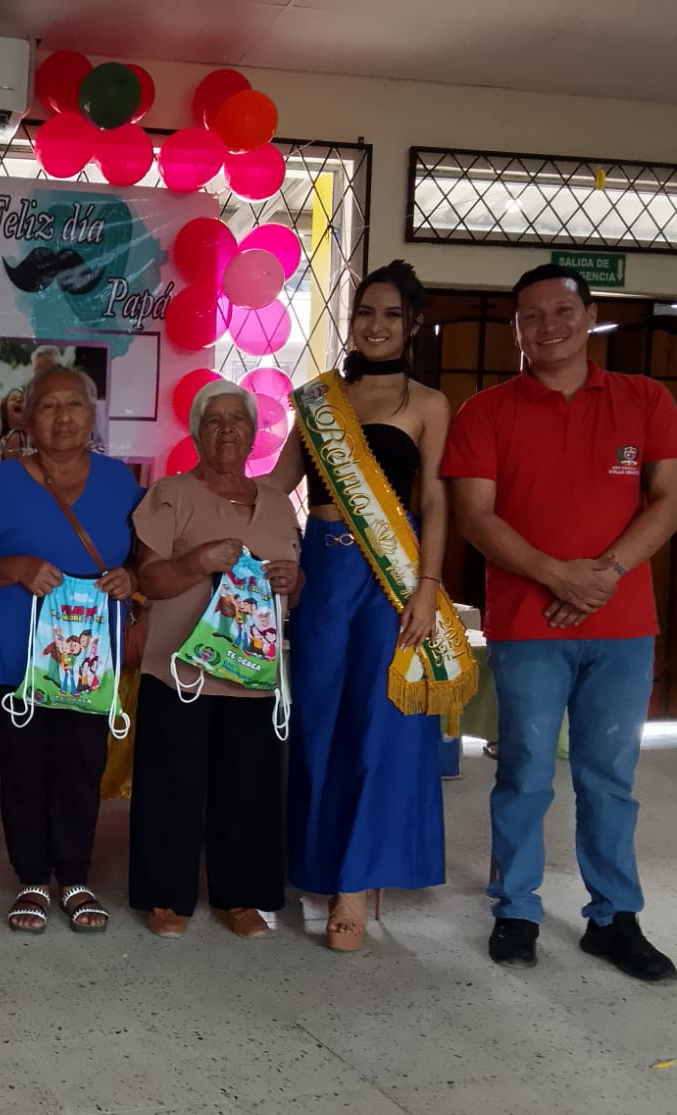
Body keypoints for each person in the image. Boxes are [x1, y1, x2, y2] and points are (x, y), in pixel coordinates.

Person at [443, 263, 677, 982]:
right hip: (528, 626)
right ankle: (516, 908)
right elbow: (474, 516)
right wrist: (557, 575)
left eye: (561, 311)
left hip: (623, 627)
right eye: (531, 316)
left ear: (589, 316)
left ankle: (614, 918)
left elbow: (671, 500)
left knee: (609, 776)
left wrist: (603, 573)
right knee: (522, 772)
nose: (547, 326)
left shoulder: (645, 399)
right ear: (516, 329)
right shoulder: (485, 411)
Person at [269, 260, 472, 952]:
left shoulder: (429, 403)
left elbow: (436, 501)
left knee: (375, 728)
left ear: (413, 326)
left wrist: (428, 586)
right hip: (322, 576)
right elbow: (275, 488)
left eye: (391, 315)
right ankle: (317, 867)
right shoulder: (320, 400)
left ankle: (353, 886)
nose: (375, 326)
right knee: (319, 725)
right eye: (365, 312)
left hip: (392, 581)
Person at [0, 365, 140, 934]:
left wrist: (132, 577)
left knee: (82, 765)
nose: (63, 417)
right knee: (25, 766)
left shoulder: (121, 483)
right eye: (48, 406)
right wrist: (13, 567)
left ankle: (76, 877)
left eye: (75, 404)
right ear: (27, 418)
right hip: (16, 651)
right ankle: (33, 879)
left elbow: (146, 558)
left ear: (93, 415)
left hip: (89, 656)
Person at [130, 380, 302, 939]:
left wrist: (293, 582)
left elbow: (293, 590)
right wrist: (198, 561)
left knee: (248, 788)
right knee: (171, 787)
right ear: (197, 433)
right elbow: (149, 580)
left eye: (238, 419)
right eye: (214, 420)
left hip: (253, 674)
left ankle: (241, 897)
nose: (227, 429)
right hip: (179, 670)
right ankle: (165, 895)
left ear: (254, 433)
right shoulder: (171, 494)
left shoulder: (278, 504)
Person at [0, 389, 27, 462]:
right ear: (5, 411)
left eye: (22, 400)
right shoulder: (15, 435)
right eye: (13, 399)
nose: (18, 400)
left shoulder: (27, 438)